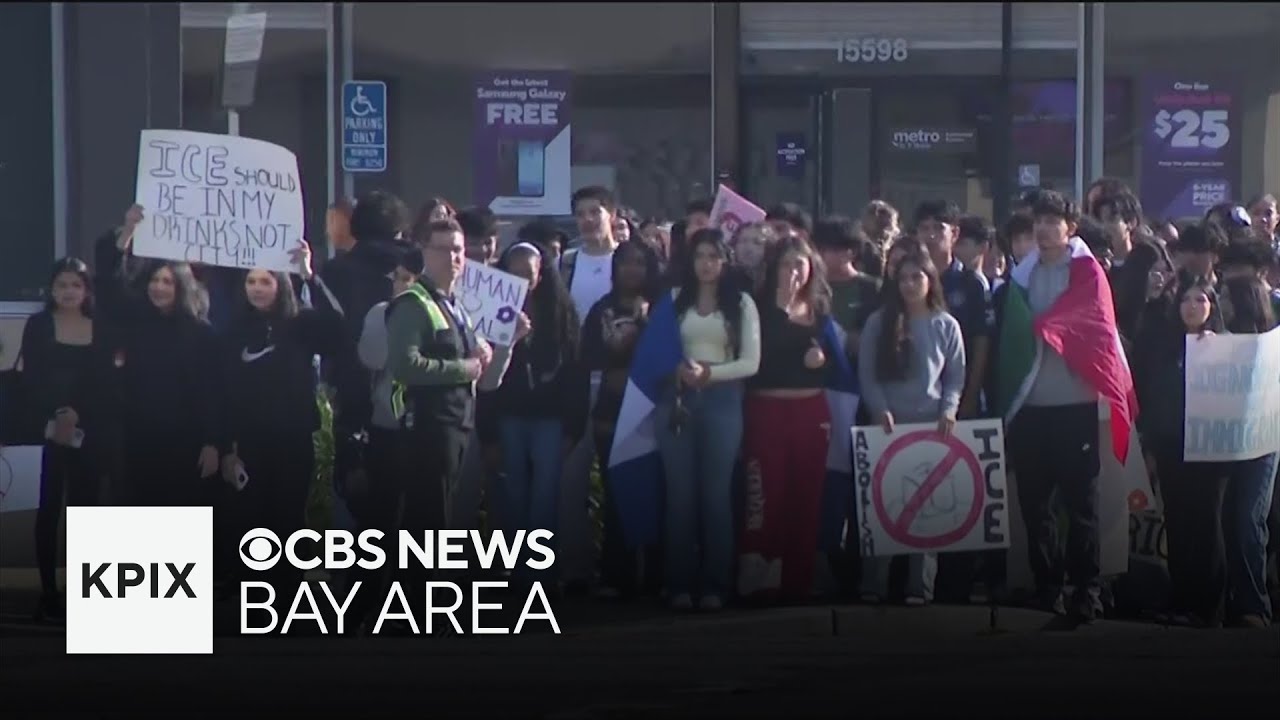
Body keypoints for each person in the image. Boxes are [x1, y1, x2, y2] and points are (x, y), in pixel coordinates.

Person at [994, 190, 1137, 624]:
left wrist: (1051, 327)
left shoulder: (1089, 272)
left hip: (1075, 406)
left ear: (1070, 228)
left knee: (1082, 505)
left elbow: (1094, 326)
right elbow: (1012, 336)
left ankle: (1086, 590)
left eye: (1053, 221)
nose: (1043, 229)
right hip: (1031, 407)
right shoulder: (1020, 277)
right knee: (1034, 505)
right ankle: (1048, 587)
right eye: (1038, 221)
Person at [380, 218, 512, 631]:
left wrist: (483, 354)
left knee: (439, 517)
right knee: (425, 518)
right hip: (427, 425)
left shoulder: (453, 304)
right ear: (423, 252)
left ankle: (427, 602)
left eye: (458, 249)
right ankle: (415, 608)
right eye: (443, 249)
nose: (454, 257)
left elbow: (471, 361)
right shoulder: (412, 304)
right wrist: (465, 367)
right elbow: (406, 364)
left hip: (454, 424)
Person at [216, 242, 344, 611]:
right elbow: (225, 391)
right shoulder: (234, 330)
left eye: (265, 281)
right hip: (249, 442)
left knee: (287, 518)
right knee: (250, 520)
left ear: (281, 285)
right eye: (251, 281)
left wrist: (310, 274)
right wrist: (228, 446)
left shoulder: (302, 323)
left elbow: (337, 331)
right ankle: (250, 601)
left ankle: (286, 601)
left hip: (293, 439)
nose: (257, 287)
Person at [656, 228, 761, 611]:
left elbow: (751, 362)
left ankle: (716, 585)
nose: (706, 263)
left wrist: (710, 375)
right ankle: (679, 584)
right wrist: (678, 372)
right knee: (680, 495)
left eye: (714, 256)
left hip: (723, 399)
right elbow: (655, 354)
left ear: (725, 261)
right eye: (700, 256)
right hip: (677, 399)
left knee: (716, 496)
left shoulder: (742, 303)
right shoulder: (672, 300)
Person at [856, 245, 966, 606]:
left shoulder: (946, 324)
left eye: (916, 277)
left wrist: (949, 410)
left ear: (930, 280)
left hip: (932, 427)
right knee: (884, 506)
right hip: (888, 426)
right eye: (902, 278)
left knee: (927, 511)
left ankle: (920, 588)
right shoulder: (879, 321)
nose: (908, 284)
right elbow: (867, 374)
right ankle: (873, 584)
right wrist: (879, 408)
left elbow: (955, 377)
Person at [739, 233, 839, 604]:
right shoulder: (756, 308)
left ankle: (797, 581)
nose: (794, 271)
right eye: (786, 263)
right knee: (764, 496)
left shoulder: (821, 311)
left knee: (806, 498)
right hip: (766, 410)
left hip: (811, 412)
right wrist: (781, 302)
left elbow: (833, 360)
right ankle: (759, 581)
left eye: (800, 263)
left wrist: (821, 361)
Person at [17, 258, 113, 622]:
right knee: (49, 510)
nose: (68, 291)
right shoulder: (38, 325)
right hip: (48, 431)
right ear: (51, 289)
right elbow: (32, 378)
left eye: (76, 285)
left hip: (90, 430)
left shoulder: (101, 327)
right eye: (62, 285)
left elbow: (105, 381)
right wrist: (54, 414)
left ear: (86, 290)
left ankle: (86, 591)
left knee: (86, 511)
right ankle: (48, 593)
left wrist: (77, 412)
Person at [483, 242, 582, 586]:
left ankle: (539, 573)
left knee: (545, 495)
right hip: (509, 417)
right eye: (515, 272)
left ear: (542, 273)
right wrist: (488, 434)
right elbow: (485, 380)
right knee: (514, 495)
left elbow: (574, 372)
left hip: (550, 419)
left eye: (529, 272)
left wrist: (573, 426)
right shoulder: (491, 312)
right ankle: (516, 569)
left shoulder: (561, 312)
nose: (522, 279)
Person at [1134, 268, 1226, 627]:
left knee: (1207, 523)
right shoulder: (1166, 347)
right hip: (1172, 447)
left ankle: (1209, 606)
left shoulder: (1225, 348)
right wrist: (1152, 449)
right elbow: (1156, 402)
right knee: (1177, 522)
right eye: (1185, 299)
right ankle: (1181, 598)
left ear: (1212, 305)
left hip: (1211, 452)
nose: (1191, 305)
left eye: (1200, 299)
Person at [582, 240, 664, 599]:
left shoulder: (664, 309)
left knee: (657, 495)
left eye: (641, 263)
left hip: (655, 414)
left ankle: (657, 575)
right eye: (626, 262)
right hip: (611, 416)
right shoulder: (601, 310)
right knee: (618, 497)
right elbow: (592, 361)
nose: (633, 270)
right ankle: (617, 573)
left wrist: (646, 322)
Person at [1218, 268, 1279, 628]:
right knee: (1228, 520)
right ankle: (1231, 600)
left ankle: (1255, 604)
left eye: (1226, 296)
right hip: (1223, 441)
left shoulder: (1271, 345)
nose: (1220, 301)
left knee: (1248, 520)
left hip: (1264, 442)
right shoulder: (1215, 341)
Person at [729, 221, 776, 296]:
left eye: (757, 243)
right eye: (743, 241)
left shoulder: (774, 285)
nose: (748, 248)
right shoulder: (725, 281)